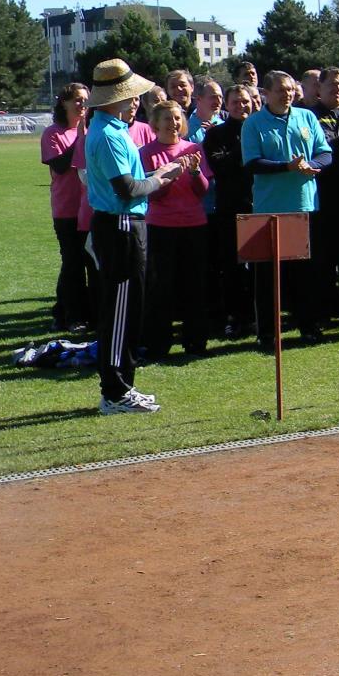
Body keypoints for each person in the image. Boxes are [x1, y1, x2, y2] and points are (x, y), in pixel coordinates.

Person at [84, 58, 194, 414]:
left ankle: (123, 386)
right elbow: (128, 188)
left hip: (126, 225)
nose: (136, 103)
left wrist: (160, 172)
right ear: (114, 98)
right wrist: (162, 178)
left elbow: (131, 180)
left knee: (129, 310)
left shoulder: (112, 131)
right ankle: (114, 392)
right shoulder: (108, 135)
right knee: (118, 313)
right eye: (131, 97)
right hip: (120, 226)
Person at [242, 70, 333, 347]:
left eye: (290, 89)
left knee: (305, 274)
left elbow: (325, 152)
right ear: (266, 94)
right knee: (268, 277)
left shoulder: (306, 117)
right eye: (280, 90)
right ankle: (267, 333)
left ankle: (308, 327)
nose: (287, 94)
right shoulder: (254, 124)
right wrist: (287, 167)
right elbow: (252, 162)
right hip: (268, 209)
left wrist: (314, 166)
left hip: (304, 205)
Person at [141, 100, 211, 358]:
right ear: (156, 123)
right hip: (162, 227)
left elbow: (203, 190)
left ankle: (195, 341)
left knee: (194, 285)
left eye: (177, 118)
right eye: (168, 119)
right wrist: (168, 176)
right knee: (161, 287)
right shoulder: (146, 152)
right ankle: (158, 343)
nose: (174, 123)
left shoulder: (193, 149)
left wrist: (193, 173)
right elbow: (153, 195)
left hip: (194, 225)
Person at [201, 84, 256, 336]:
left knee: (257, 266)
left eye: (245, 101)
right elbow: (219, 165)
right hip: (229, 208)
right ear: (227, 105)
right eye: (235, 102)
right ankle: (235, 317)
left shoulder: (260, 129)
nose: (241, 106)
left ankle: (257, 315)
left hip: (258, 204)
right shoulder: (215, 135)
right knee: (232, 266)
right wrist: (244, 146)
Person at [42, 83, 92, 331]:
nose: (82, 104)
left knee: (88, 262)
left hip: (90, 207)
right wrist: (80, 138)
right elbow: (60, 166)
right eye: (77, 100)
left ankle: (65, 311)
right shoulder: (53, 133)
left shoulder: (92, 130)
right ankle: (72, 315)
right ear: (64, 103)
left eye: (85, 100)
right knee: (73, 263)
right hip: (66, 209)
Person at [309, 66, 339, 316]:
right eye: (332, 85)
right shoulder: (309, 116)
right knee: (323, 257)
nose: (337, 89)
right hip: (323, 196)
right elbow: (321, 148)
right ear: (319, 88)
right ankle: (324, 307)